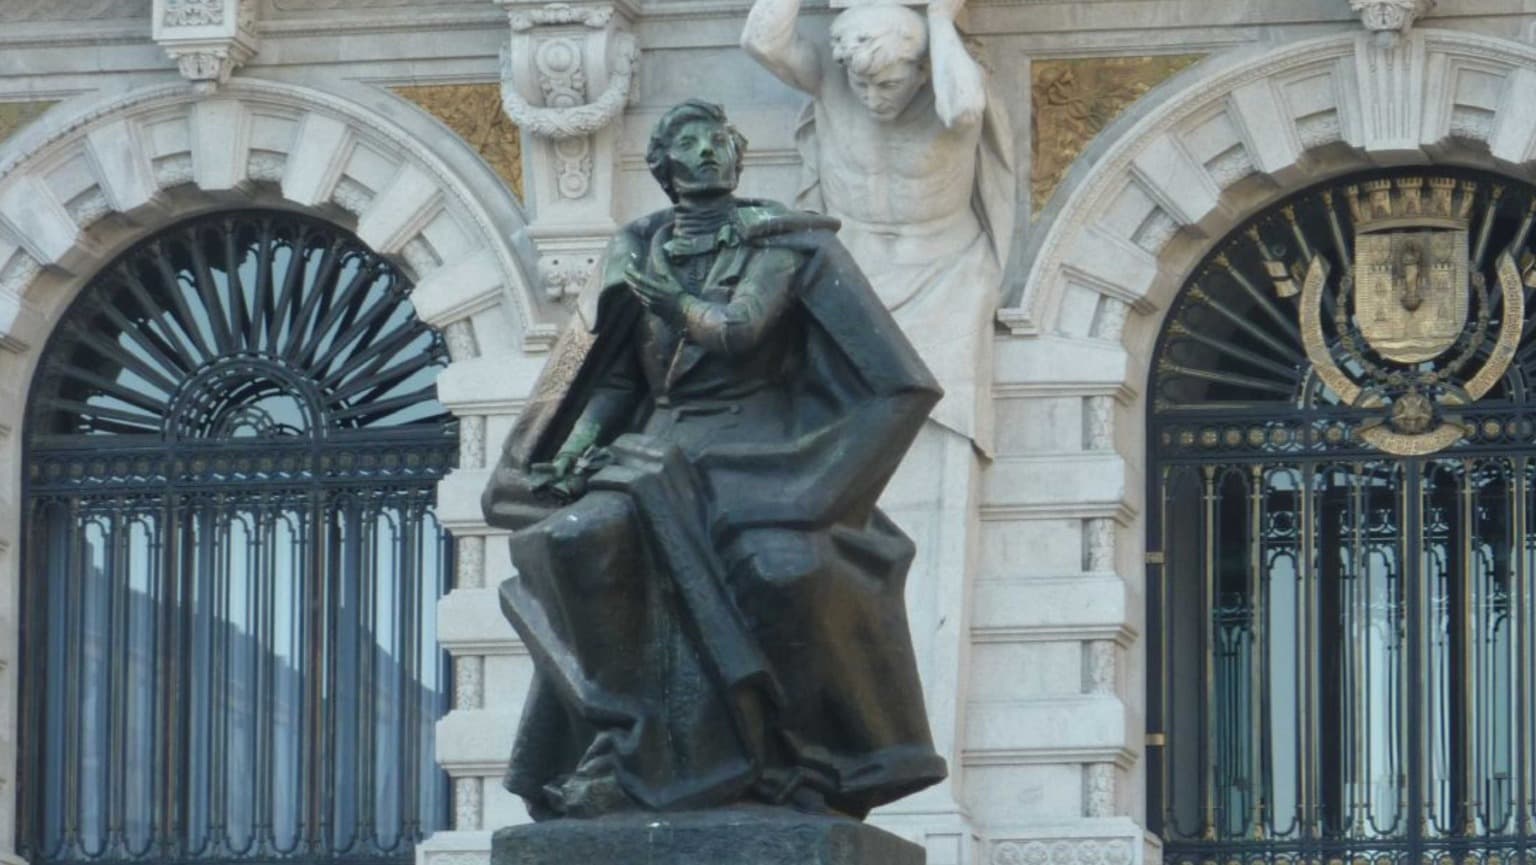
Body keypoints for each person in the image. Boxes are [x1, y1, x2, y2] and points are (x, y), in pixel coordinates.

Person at [482, 99, 947, 821]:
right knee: (572, 540)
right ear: (662, 167)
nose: (705, 153)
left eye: (717, 140)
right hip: (652, 454)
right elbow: (611, 378)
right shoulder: (634, 248)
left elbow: (881, 374)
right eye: (687, 142)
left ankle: (787, 763)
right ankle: (627, 747)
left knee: (782, 572)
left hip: (762, 455)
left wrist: (825, 488)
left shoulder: (788, 245)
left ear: (738, 156)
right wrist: (572, 454)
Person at [742, 0, 1014, 448]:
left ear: (923, 68)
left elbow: (964, 108)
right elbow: (761, 40)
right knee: (831, 431)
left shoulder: (949, 90)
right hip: (851, 272)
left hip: (946, 275)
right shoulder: (832, 81)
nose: (872, 98)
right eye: (862, 84)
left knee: (937, 426)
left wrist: (940, 19)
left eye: (887, 84)